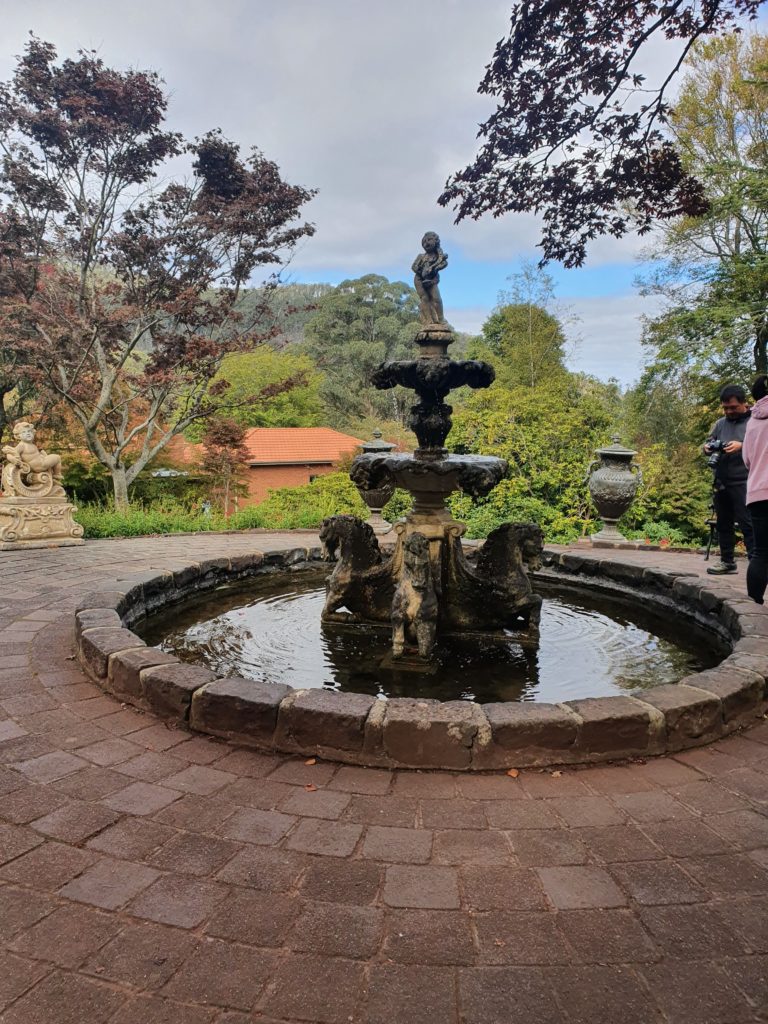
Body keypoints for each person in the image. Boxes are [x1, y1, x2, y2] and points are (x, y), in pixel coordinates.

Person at [703, 384, 754, 574]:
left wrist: (742, 446)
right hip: (721, 482)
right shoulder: (720, 423)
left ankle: (756, 564)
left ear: (744, 404)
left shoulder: (755, 422)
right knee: (723, 524)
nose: (729, 411)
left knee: (748, 524)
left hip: (745, 481)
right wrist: (707, 447)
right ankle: (727, 562)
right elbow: (708, 442)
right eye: (725, 408)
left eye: (733, 407)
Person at [743, 374, 768, 602]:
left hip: (758, 492)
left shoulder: (752, 422)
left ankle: (754, 606)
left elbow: (747, 460)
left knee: (761, 553)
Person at [412, 231, 448, 325]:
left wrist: (434, 268)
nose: (426, 243)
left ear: (436, 241)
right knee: (424, 298)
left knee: (437, 299)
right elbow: (414, 267)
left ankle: (440, 319)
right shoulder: (421, 256)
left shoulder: (439, 256)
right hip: (419, 279)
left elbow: (444, 264)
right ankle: (428, 320)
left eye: (429, 240)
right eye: (424, 241)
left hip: (432, 279)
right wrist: (422, 271)